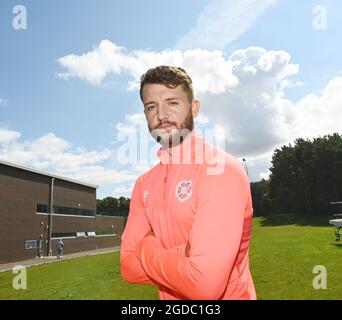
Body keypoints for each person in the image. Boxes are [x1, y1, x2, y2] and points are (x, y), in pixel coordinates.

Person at [120, 66, 256, 300]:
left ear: (194, 108)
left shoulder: (221, 170)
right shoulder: (144, 184)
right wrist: (183, 255)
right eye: (151, 106)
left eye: (172, 103)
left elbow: (204, 286)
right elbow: (128, 268)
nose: (161, 114)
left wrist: (145, 248)